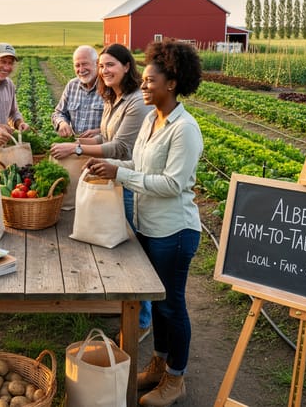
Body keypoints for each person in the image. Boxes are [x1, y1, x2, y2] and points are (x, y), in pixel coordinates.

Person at [85, 39, 203, 406]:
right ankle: (158, 366)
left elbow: (172, 184)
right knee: (158, 300)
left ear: (172, 83)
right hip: (148, 226)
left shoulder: (184, 129)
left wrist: (120, 176)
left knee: (171, 306)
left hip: (175, 231)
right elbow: (140, 166)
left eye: (151, 80)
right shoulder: (153, 119)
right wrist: (113, 167)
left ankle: (176, 379)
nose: (145, 85)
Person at [50, 43, 153, 341]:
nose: (104, 71)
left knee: (133, 251)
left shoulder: (135, 101)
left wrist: (78, 147)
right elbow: (109, 135)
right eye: (103, 66)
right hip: (110, 175)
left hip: (128, 180)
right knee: (112, 241)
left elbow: (122, 147)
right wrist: (95, 135)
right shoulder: (113, 97)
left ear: (126, 66)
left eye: (110, 65)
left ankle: (142, 320)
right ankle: (119, 305)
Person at [51, 45, 103, 137]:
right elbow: (59, 112)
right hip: (76, 146)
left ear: (97, 63)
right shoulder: (72, 85)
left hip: (101, 148)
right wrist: (62, 123)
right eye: (77, 65)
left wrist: (101, 131)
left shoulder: (108, 88)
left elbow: (119, 126)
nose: (81, 70)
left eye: (85, 64)